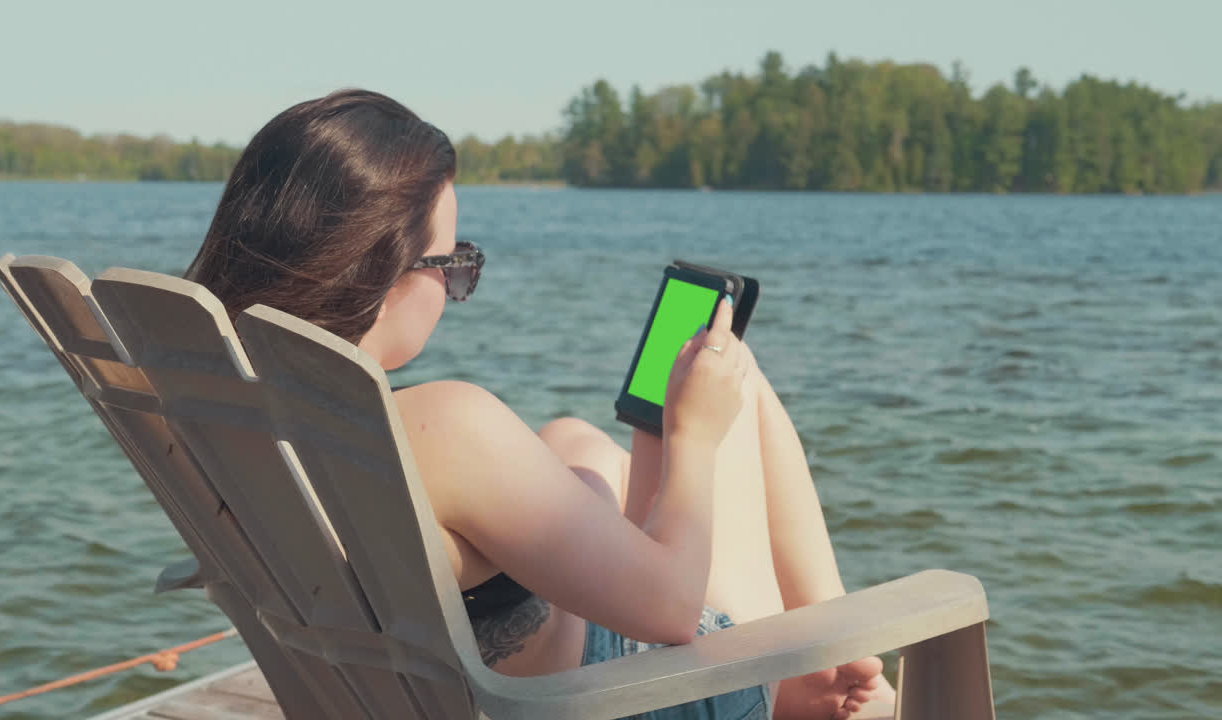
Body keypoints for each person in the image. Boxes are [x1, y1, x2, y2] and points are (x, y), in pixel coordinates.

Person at [185, 88, 894, 720]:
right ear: (382, 270)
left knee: (574, 441)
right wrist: (694, 436)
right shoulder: (446, 425)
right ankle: (842, 661)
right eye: (452, 264)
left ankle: (827, 668)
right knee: (733, 376)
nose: (456, 287)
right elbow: (677, 611)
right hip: (636, 698)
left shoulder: (215, 416)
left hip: (477, 688)